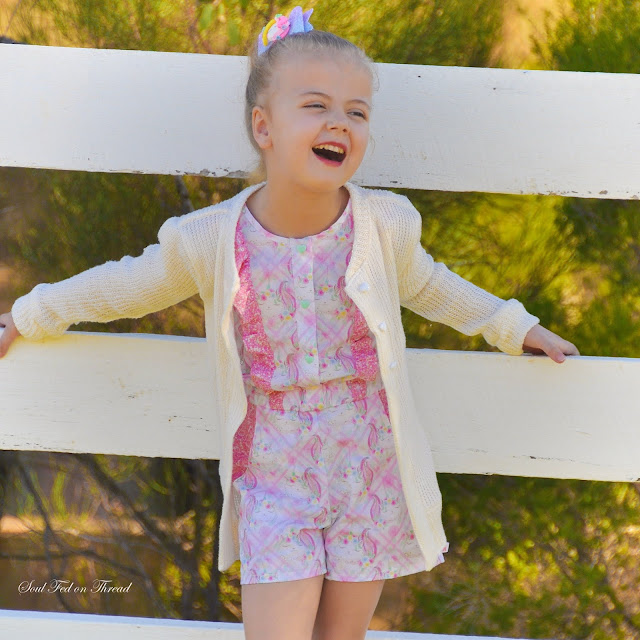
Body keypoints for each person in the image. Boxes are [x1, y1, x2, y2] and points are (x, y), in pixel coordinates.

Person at [0, 6, 580, 639]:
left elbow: (434, 286)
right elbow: (127, 284)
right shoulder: (213, 239)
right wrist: (32, 313)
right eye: (316, 106)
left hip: (368, 473)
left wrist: (514, 327)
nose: (339, 122)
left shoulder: (382, 226)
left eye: (357, 112)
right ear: (264, 126)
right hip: (274, 479)